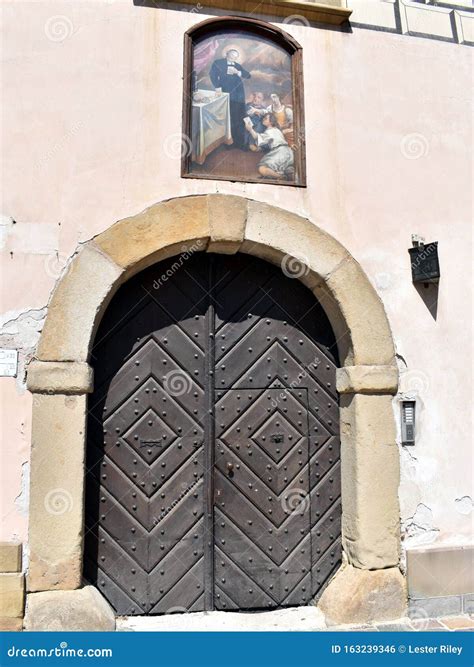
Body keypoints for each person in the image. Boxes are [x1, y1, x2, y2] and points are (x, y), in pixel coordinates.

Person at [210, 48, 251, 149]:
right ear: (227, 54)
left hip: (239, 94)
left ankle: (240, 142)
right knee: (229, 117)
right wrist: (217, 87)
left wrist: (238, 72)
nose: (233, 59)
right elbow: (212, 75)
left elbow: (248, 75)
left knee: (240, 116)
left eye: (235, 57)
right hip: (226, 92)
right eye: (232, 56)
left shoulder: (237, 65)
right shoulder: (218, 62)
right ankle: (229, 142)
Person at [244, 112, 294, 180]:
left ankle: (281, 177)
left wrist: (250, 129)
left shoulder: (270, 131)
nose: (263, 120)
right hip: (288, 152)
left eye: (266, 118)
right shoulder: (277, 130)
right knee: (287, 169)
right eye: (263, 118)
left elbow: (257, 137)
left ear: (271, 121)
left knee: (262, 168)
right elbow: (268, 143)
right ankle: (285, 174)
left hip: (279, 152)